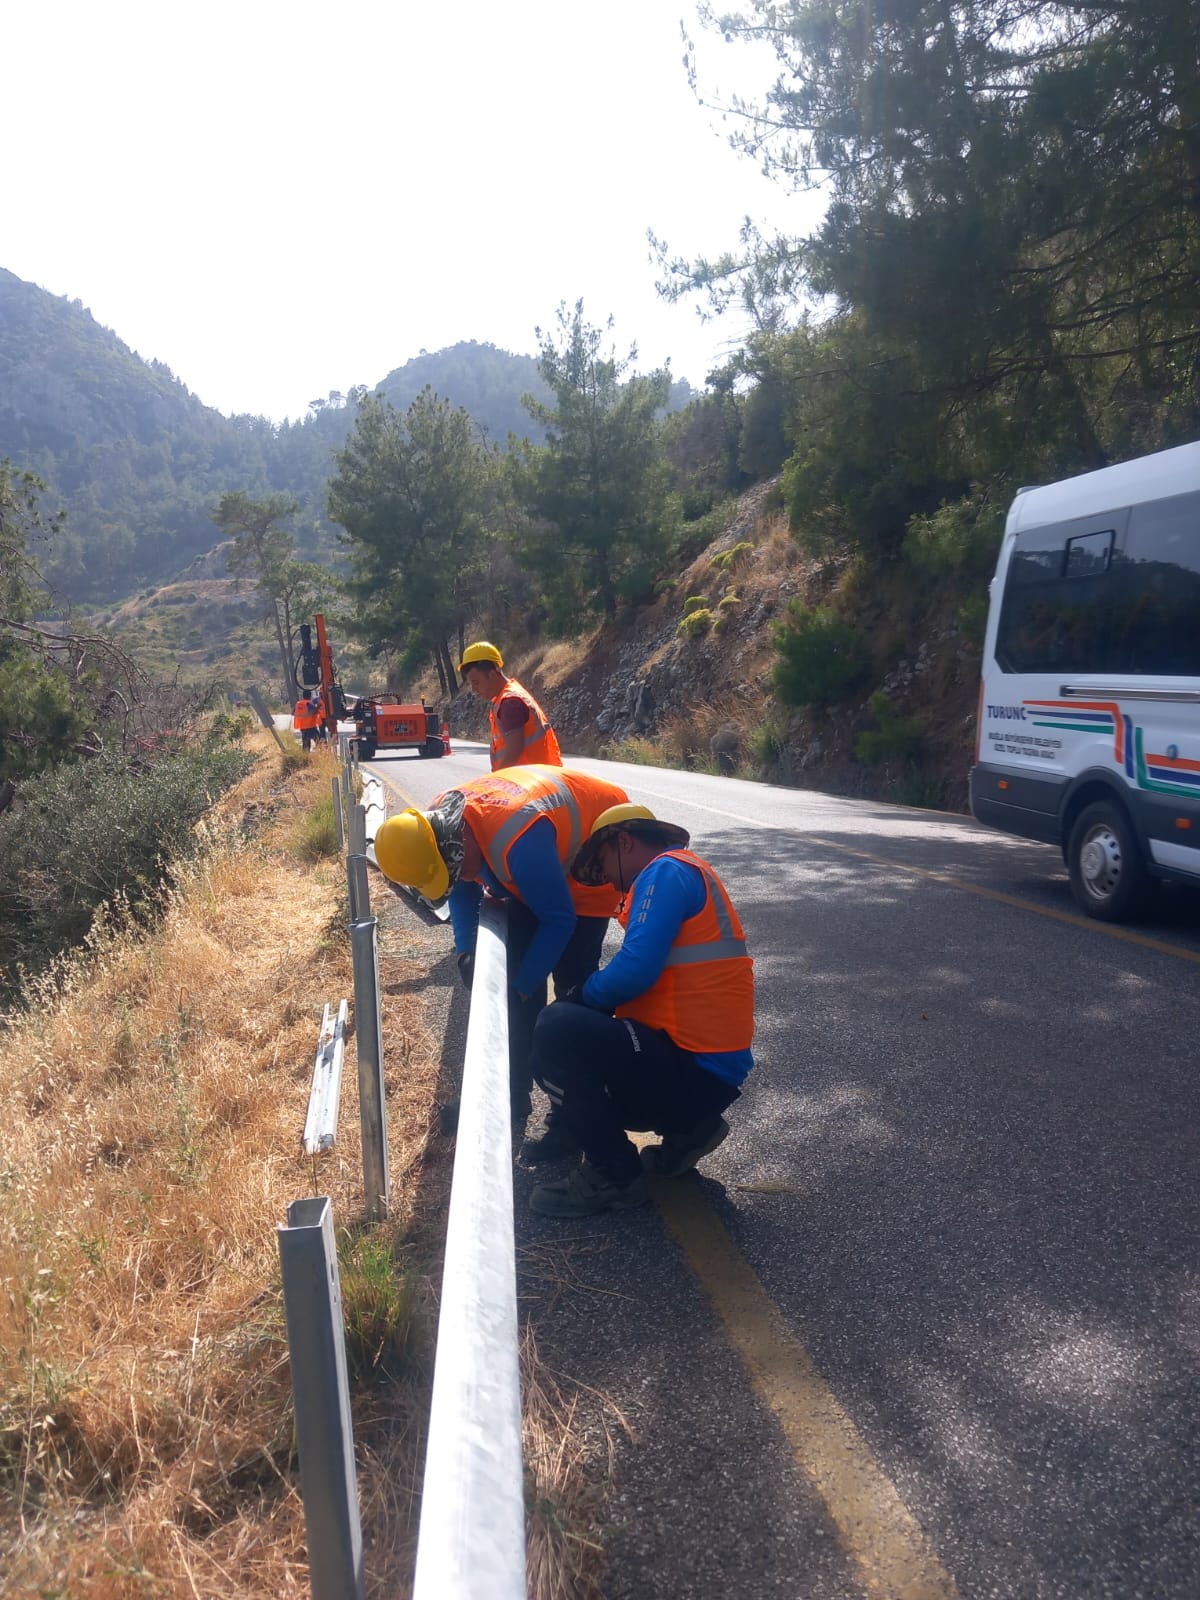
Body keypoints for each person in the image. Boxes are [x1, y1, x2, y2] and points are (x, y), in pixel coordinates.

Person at [372, 765, 629, 1144]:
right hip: (540, 853)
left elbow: (559, 920)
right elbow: (461, 887)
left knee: (573, 989)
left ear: (458, 843)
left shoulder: (517, 842)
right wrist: (466, 952)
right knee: (516, 978)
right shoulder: (439, 824)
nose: (458, 876)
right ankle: (509, 1096)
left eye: (456, 868)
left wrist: (524, 985)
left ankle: (574, 1120)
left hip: (591, 859)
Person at [525, 805, 755, 1219]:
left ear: (624, 842)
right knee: (588, 1032)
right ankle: (690, 1130)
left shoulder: (665, 871)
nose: (611, 884)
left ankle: (613, 1176)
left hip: (689, 1068)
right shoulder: (685, 873)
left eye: (603, 867)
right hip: (705, 1072)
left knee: (556, 1028)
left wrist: (577, 997)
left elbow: (634, 971)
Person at [459, 641, 562, 769]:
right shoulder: (507, 697)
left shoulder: (509, 703)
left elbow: (514, 750)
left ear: (492, 674)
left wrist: (497, 781)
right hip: (535, 778)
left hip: (528, 782)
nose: (474, 689)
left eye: (476, 682)